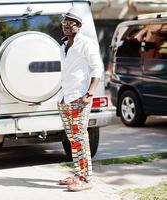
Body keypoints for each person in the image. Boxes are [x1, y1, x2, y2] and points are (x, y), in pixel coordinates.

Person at [57, 7, 104, 192]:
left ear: (79, 25)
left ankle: (85, 179)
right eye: (64, 23)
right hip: (65, 98)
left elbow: (97, 69)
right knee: (72, 139)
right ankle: (78, 174)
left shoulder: (87, 43)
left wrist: (89, 94)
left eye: (70, 22)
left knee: (81, 138)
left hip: (80, 98)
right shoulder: (63, 45)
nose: (66, 26)